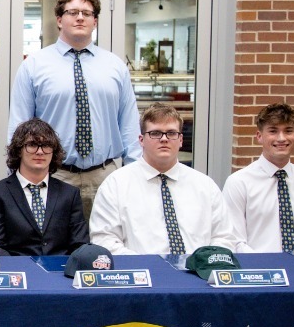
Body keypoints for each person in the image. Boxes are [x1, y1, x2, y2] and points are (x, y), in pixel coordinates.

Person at [7, 0, 141, 222]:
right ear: (60, 20)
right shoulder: (34, 66)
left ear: (95, 21)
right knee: (53, 250)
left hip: (105, 176)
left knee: (104, 251)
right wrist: (17, 176)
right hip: (53, 176)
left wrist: (135, 173)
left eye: (87, 13)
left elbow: (128, 122)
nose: (80, 18)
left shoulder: (115, 66)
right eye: (73, 12)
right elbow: (19, 124)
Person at [89, 104, 236, 256]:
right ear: (141, 140)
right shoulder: (115, 185)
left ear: (180, 140)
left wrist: (203, 263)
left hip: (197, 275)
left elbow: (224, 237)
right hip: (142, 274)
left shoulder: (205, 186)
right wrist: (148, 267)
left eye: (171, 133)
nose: (164, 139)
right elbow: (104, 240)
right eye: (155, 133)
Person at [222, 102, 294, 253]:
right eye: (273, 131)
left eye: (288, 131)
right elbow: (234, 242)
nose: (281, 138)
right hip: (257, 270)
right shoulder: (238, 183)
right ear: (259, 136)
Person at [0, 118, 88, 257]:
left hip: (60, 273)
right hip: (18, 273)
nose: (40, 152)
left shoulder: (70, 194)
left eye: (46, 145)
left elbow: (79, 244)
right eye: (32, 145)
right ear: (19, 150)